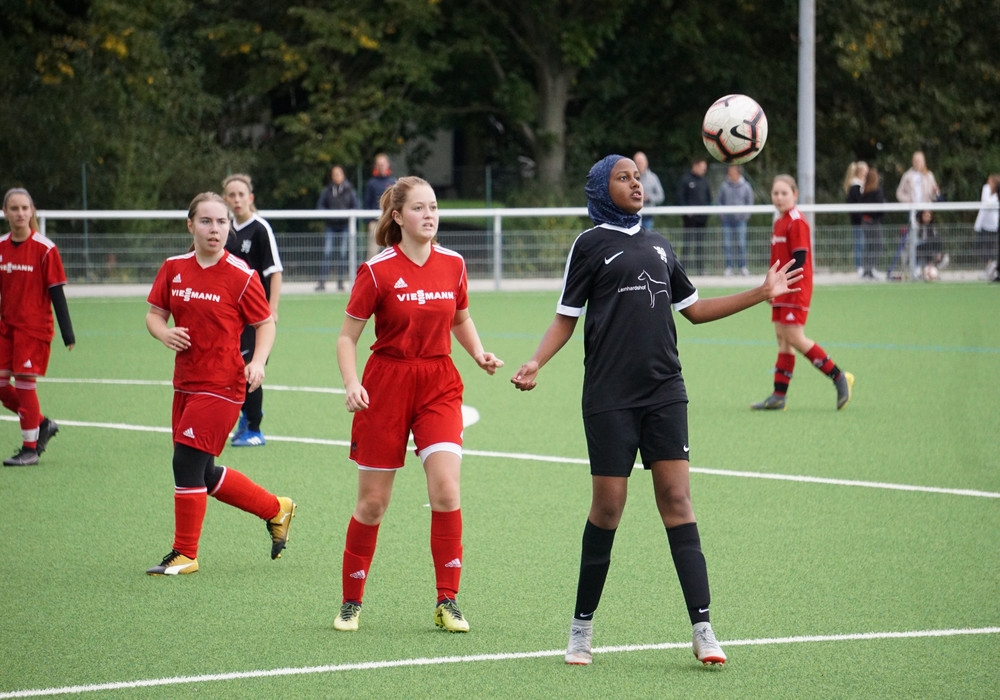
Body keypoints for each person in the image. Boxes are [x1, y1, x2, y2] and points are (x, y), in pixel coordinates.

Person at [510, 155, 802, 667]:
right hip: (609, 397)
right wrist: (536, 361)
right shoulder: (590, 244)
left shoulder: (661, 245)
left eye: (638, 177)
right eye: (622, 178)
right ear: (601, 189)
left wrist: (761, 293)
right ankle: (581, 629)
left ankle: (703, 629)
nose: (635, 184)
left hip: (665, 391)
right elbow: (565, 318)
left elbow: (695, 310)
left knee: (677, 500)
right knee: (608, 508)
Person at [333, 176, 504, 633]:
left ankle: (448, 600)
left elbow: (460, 318)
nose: (429, 215)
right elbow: (347, 338)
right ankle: (351, 601)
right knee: (373, 503)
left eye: (433, 207)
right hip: (385, 386)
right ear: (398, 216)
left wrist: (479, 353)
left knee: (446, 489)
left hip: (438, 383)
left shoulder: (454, 263)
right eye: (419, 208)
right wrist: (351, 383)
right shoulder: (377, 271)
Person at [145, 192, 295, 576]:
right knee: (203, 472)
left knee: (185, 462)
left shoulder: (241, 275)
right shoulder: (174, 268)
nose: (215, 229)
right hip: (185, 383)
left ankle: (185, 553)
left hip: (224, 385)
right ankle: (276, 508)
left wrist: (257, 362)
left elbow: (265, 324)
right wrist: (164, 333)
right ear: (190, 225)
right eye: (207, 221)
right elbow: (154, 315)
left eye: (222, 222)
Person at [752, 175, 854, 411]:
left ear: (795, 194)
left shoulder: (796, 221)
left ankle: (839, 377)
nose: (779, 197)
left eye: (784, 193)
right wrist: (770, 286)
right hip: (781, 288)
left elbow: (800, 259)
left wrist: (781, 283)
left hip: (795, 288)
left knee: (795, 337)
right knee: (782, 338)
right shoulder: (779, 222)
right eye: (775, 193)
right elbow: (777, 259)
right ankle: (779, 396)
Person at [0, 188, 74, 466]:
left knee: (24, 385)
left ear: (32, 211)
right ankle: (41, 423)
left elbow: (56, 292)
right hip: (6, 328)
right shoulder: (1, 247)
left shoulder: (45, 248)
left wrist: (67, 332)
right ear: (5, 212)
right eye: (14, 208)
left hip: (33, 330)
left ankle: (29, 448)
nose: (20, 213)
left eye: (24, 208)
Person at [222, 174, 283, 447]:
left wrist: (272, 309)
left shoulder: (260, 228)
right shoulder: (225, 229)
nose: (236, 200)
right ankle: (246, 418)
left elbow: (275, 271)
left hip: (255, 315)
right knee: (233, 368)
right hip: (230, 314)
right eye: (231, 195)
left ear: (250, 198)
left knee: (249, 368)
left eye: (241, 194)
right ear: (225, 199)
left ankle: (254, 427)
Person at [316, 164, 360, 291]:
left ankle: (340, 283)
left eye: (338, 174)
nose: (336, 176)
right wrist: (330, 214)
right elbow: (320, 206)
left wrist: (346, 214)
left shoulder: (349, 190)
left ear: (343, 175)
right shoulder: (327, 190)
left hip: (345, 226)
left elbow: (356, 206)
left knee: (343, 253)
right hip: (330, 225)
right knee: (327, 252)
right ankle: (322, 282)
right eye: (334, 174)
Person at [676, 157, 712, 275]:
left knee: (700, 245)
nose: (703, 170)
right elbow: (680, 197)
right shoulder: (686, 180)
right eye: (702, 168)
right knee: (687, 243)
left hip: (702, 218)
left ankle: (700, 269)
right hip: (689, 219)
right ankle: (682, 269)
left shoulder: (704, 181)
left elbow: (708, 198)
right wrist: (686, 212)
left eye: (705, 168)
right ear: (695, 166)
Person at [717, 164, 754, 276]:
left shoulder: (746, 186)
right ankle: (729, 267)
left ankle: (742, 267)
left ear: (738, 173)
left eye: (732, 172)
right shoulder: (724, 186)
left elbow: (749, 202)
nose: (730, 174)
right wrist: (723, 216)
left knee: (741, 244)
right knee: (727, 244)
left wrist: (744, 216)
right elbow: (719, 201)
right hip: (727, 221)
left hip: (740, 220)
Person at [363, 153, 397, 259]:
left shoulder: (393, 182)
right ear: (376, 166)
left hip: (390, 221)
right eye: (379, 164)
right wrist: (369, 221)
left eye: (383, 164)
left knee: (391, 249)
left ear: (387, 164)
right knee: (372, 250)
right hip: (375, 222)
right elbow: (367, 203)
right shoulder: (371, 183)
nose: (381, 166)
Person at [844, 161, 869, 276]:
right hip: (858, 221)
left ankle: (866, 266)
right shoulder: (855, 187)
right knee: (860, 243)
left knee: (865, 243)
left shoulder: (864, 185)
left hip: (865, 220)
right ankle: (859, 266)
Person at [860, 166, 885, 280]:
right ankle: (870, 269)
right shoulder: (876, 191)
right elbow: (880, 206)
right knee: (877, 246)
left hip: (865, 222)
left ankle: (867, 269)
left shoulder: (864, 191)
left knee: (869, 246)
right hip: (873, 222)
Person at [973, 173, 999, 281]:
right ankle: (990, 265)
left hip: (993, 224)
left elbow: (993, 203)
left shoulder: (997, 191)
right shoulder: (986, 188)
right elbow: (986, 202)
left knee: (990, 246)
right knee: (978, 245)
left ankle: (991, 267)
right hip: (983, 223)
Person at [633, 151, 665, 230]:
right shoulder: (630, 178)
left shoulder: (653, 177)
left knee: (646, 236)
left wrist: (648, 198)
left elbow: (661, 196)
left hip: (648, 216)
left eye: (641, 162)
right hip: (632, 216)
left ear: (646, 163)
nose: (639, 164)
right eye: (637, 162)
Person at [914, 210, 946, 280]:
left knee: (937, 240)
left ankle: (938, 259)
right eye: (925, 216)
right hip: (918, 247)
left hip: (928, 247)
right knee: (928, 243)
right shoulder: (917, 226)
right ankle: (933, 264)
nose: (927, 218)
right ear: (922, 216)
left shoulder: (932, 227)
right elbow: (916, 240)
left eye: (929, 216)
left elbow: (934, 239)